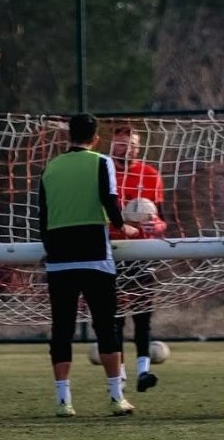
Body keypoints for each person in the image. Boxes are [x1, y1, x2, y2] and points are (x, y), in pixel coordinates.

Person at [39, 113, 140, 417]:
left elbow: (42, 215)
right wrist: (124, 227)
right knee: (106, 327)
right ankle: (116, 396)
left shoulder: (51, 167)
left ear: (68, 136)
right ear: (96, 139)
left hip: (59, 259)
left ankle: (63, 401)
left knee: (62, 329)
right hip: (95, 256)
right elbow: (110, 201)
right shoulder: (101, 162)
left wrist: (49, 248)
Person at [109, 125, 168, 392]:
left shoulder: (150, 174)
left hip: (142, 252)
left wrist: (158, 226)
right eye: (121, 143)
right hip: (112, 251)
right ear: (112, 145)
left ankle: (144, 370)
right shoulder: (104, 171)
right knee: (115, 317)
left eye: (132, 143)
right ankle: (119, 374)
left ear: (139, 146)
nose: (127, 148)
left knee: (143, 313)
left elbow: (162, 218)